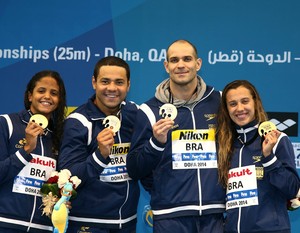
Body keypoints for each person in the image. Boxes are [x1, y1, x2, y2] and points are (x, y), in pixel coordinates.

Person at [126, 39, 226, 233]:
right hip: (170, 215)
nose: (181, 65)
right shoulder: (149, 110)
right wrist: (156, 143)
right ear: (166, 66)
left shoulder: (220, 101)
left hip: (214, 214)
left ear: (198, 64)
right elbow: (135, 167)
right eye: (174, 60)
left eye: (187, 59)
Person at [58, 56, 139, 233]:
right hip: (87, 223)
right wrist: (100, 155)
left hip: (126, 222)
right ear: (94, 82)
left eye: (119, 82)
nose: (112, 88)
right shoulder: (78, 122)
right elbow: (66, 178)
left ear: (128, 85)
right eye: (105, 81)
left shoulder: (135, 115)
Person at [216, 80, 300, 233]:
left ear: (255, 102)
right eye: (233, 104)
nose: (240, 108)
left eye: (245, 101)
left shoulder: (277, 139)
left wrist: (268, 158)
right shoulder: (225, 145)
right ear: (226, 109)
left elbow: (292, 189)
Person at [0, 70, 67, 232]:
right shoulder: (7, 123)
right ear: (30, 96)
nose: (47, 97)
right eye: (41, 91)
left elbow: (53, 180)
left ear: (59, 100)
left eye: (54, 93)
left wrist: (60, 197)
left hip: (41, 226)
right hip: (6, 223)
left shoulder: (59, 136)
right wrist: (26, 150)